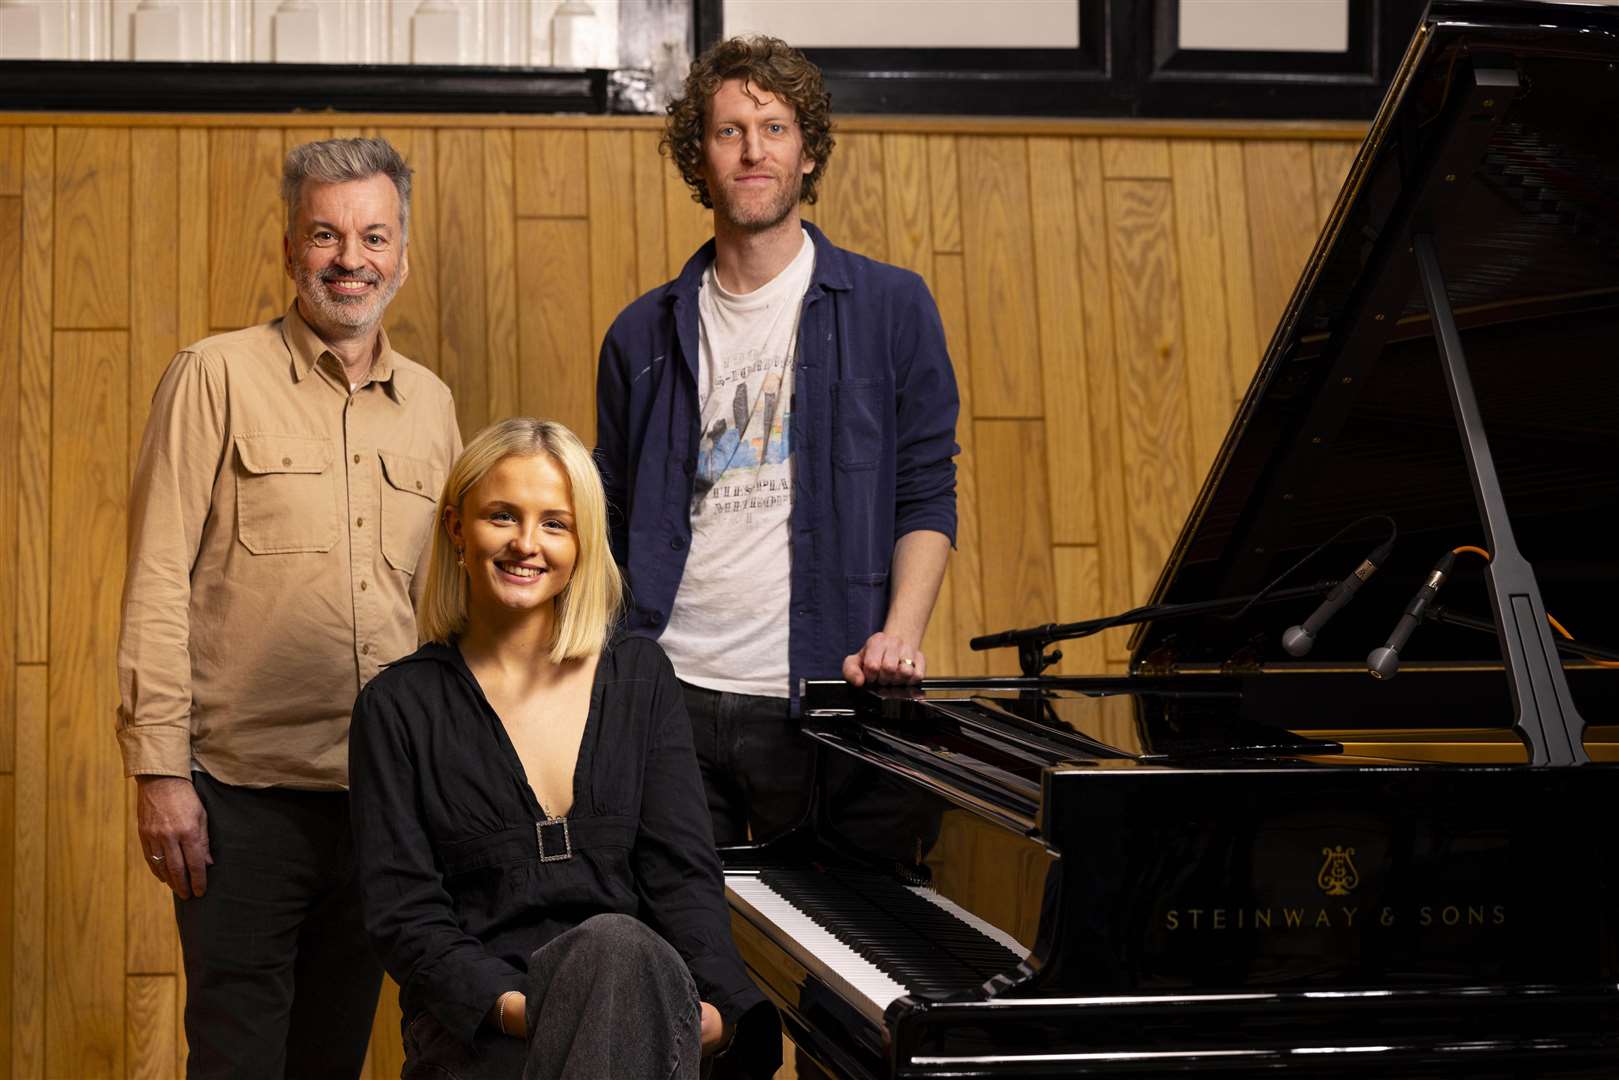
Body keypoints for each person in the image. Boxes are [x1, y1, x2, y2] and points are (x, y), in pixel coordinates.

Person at [115, 136, 462, 1079]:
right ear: (289, 245)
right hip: (239, 802)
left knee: (335, 1060)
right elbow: (155, 576)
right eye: (326, 233)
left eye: (373, 236)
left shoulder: (431, 406)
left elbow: (445, 613)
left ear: (402, 251)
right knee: (235, 1062)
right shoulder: (214, 375)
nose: (350, 258)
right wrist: (160, 771)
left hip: (383, 806)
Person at [595, 35, 961, 845]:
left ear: (806, 150)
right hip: (669, 691)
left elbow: (925, 489)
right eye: (729, 131)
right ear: (700, 156)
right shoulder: (639, 335)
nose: (752, 150)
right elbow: (608, 515)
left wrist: (899, 632)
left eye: (774, 128)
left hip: (824, 691)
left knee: (834, 949)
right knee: (681, 947)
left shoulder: (891, 309)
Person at [348, 418, 779, 1080]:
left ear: (582, 543)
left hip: (642, 1007)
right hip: (486, 1030)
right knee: (610, 967)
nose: (527, 543)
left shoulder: (638, 676)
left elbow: (681, 875)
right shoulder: (396, 707)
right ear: (457, 527)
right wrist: (531, 1011)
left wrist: (718, 1008)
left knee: (616, 951)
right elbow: (408, 920)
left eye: (555, 523)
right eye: (502, 516)